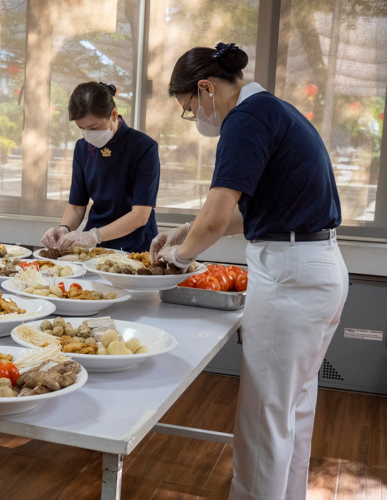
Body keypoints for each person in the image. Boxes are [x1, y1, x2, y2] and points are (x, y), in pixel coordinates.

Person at [150, 43, 348, 500]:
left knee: (262, 419)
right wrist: (186, 232)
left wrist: (176, 262)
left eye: (188, 108)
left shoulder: (244, 119)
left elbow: (218, 218)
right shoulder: (276, 111)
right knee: (291, 410)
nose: (194, 117)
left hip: (291, 276)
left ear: (205, 89)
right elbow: (254, 214)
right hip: (317, 267)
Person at [40, 82, 160, 253]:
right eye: (82, 128)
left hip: (136, 247)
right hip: (95, 249)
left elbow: (140, 215)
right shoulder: (82, 148)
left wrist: (94, 235)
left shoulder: (144, 147)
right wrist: (63, 230)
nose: (88, 135)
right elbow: (76, 206)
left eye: (93, 128)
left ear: (113, 114)